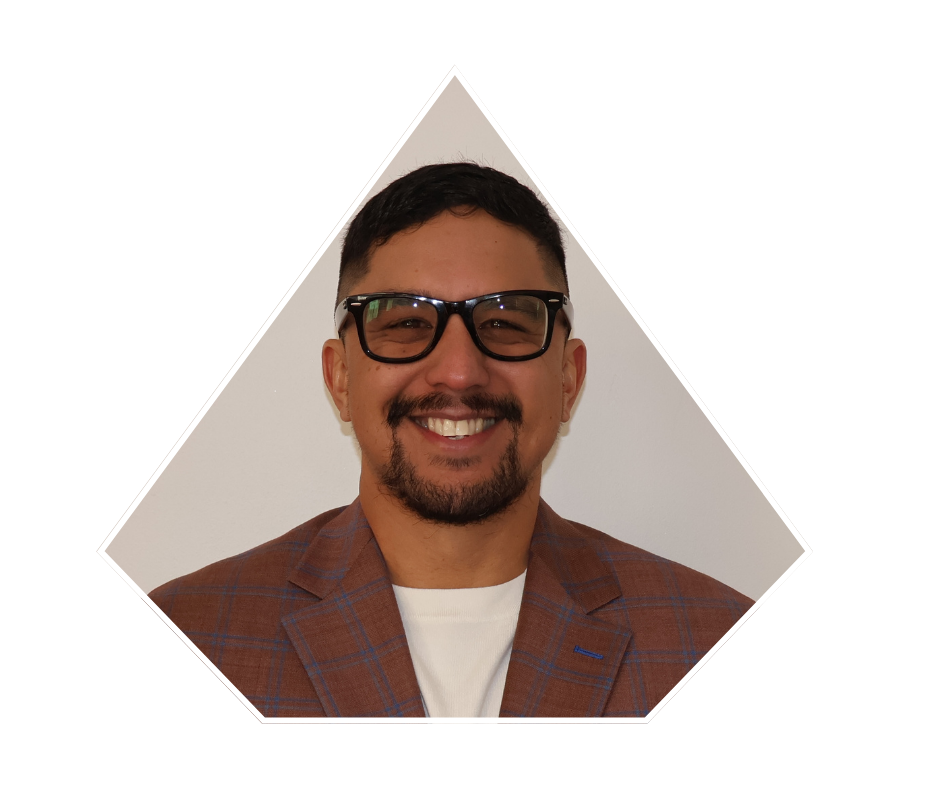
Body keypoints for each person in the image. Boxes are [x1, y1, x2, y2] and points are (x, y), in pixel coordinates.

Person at [150, 162, 754, 718]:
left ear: (568, 380)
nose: (460, 372)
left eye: (504, 323)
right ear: (340, 379)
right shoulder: (195, 632)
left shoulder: (719, 645)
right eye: (407, 323)